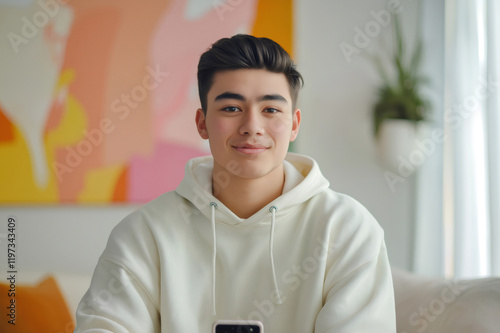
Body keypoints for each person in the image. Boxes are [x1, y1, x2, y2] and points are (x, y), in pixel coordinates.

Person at [74, 34, 396, 332]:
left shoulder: (347, 230)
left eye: (270, 109)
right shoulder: (144, 234)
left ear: (294, 124)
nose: (252, 126)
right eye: (231, 108)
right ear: (202, 123)